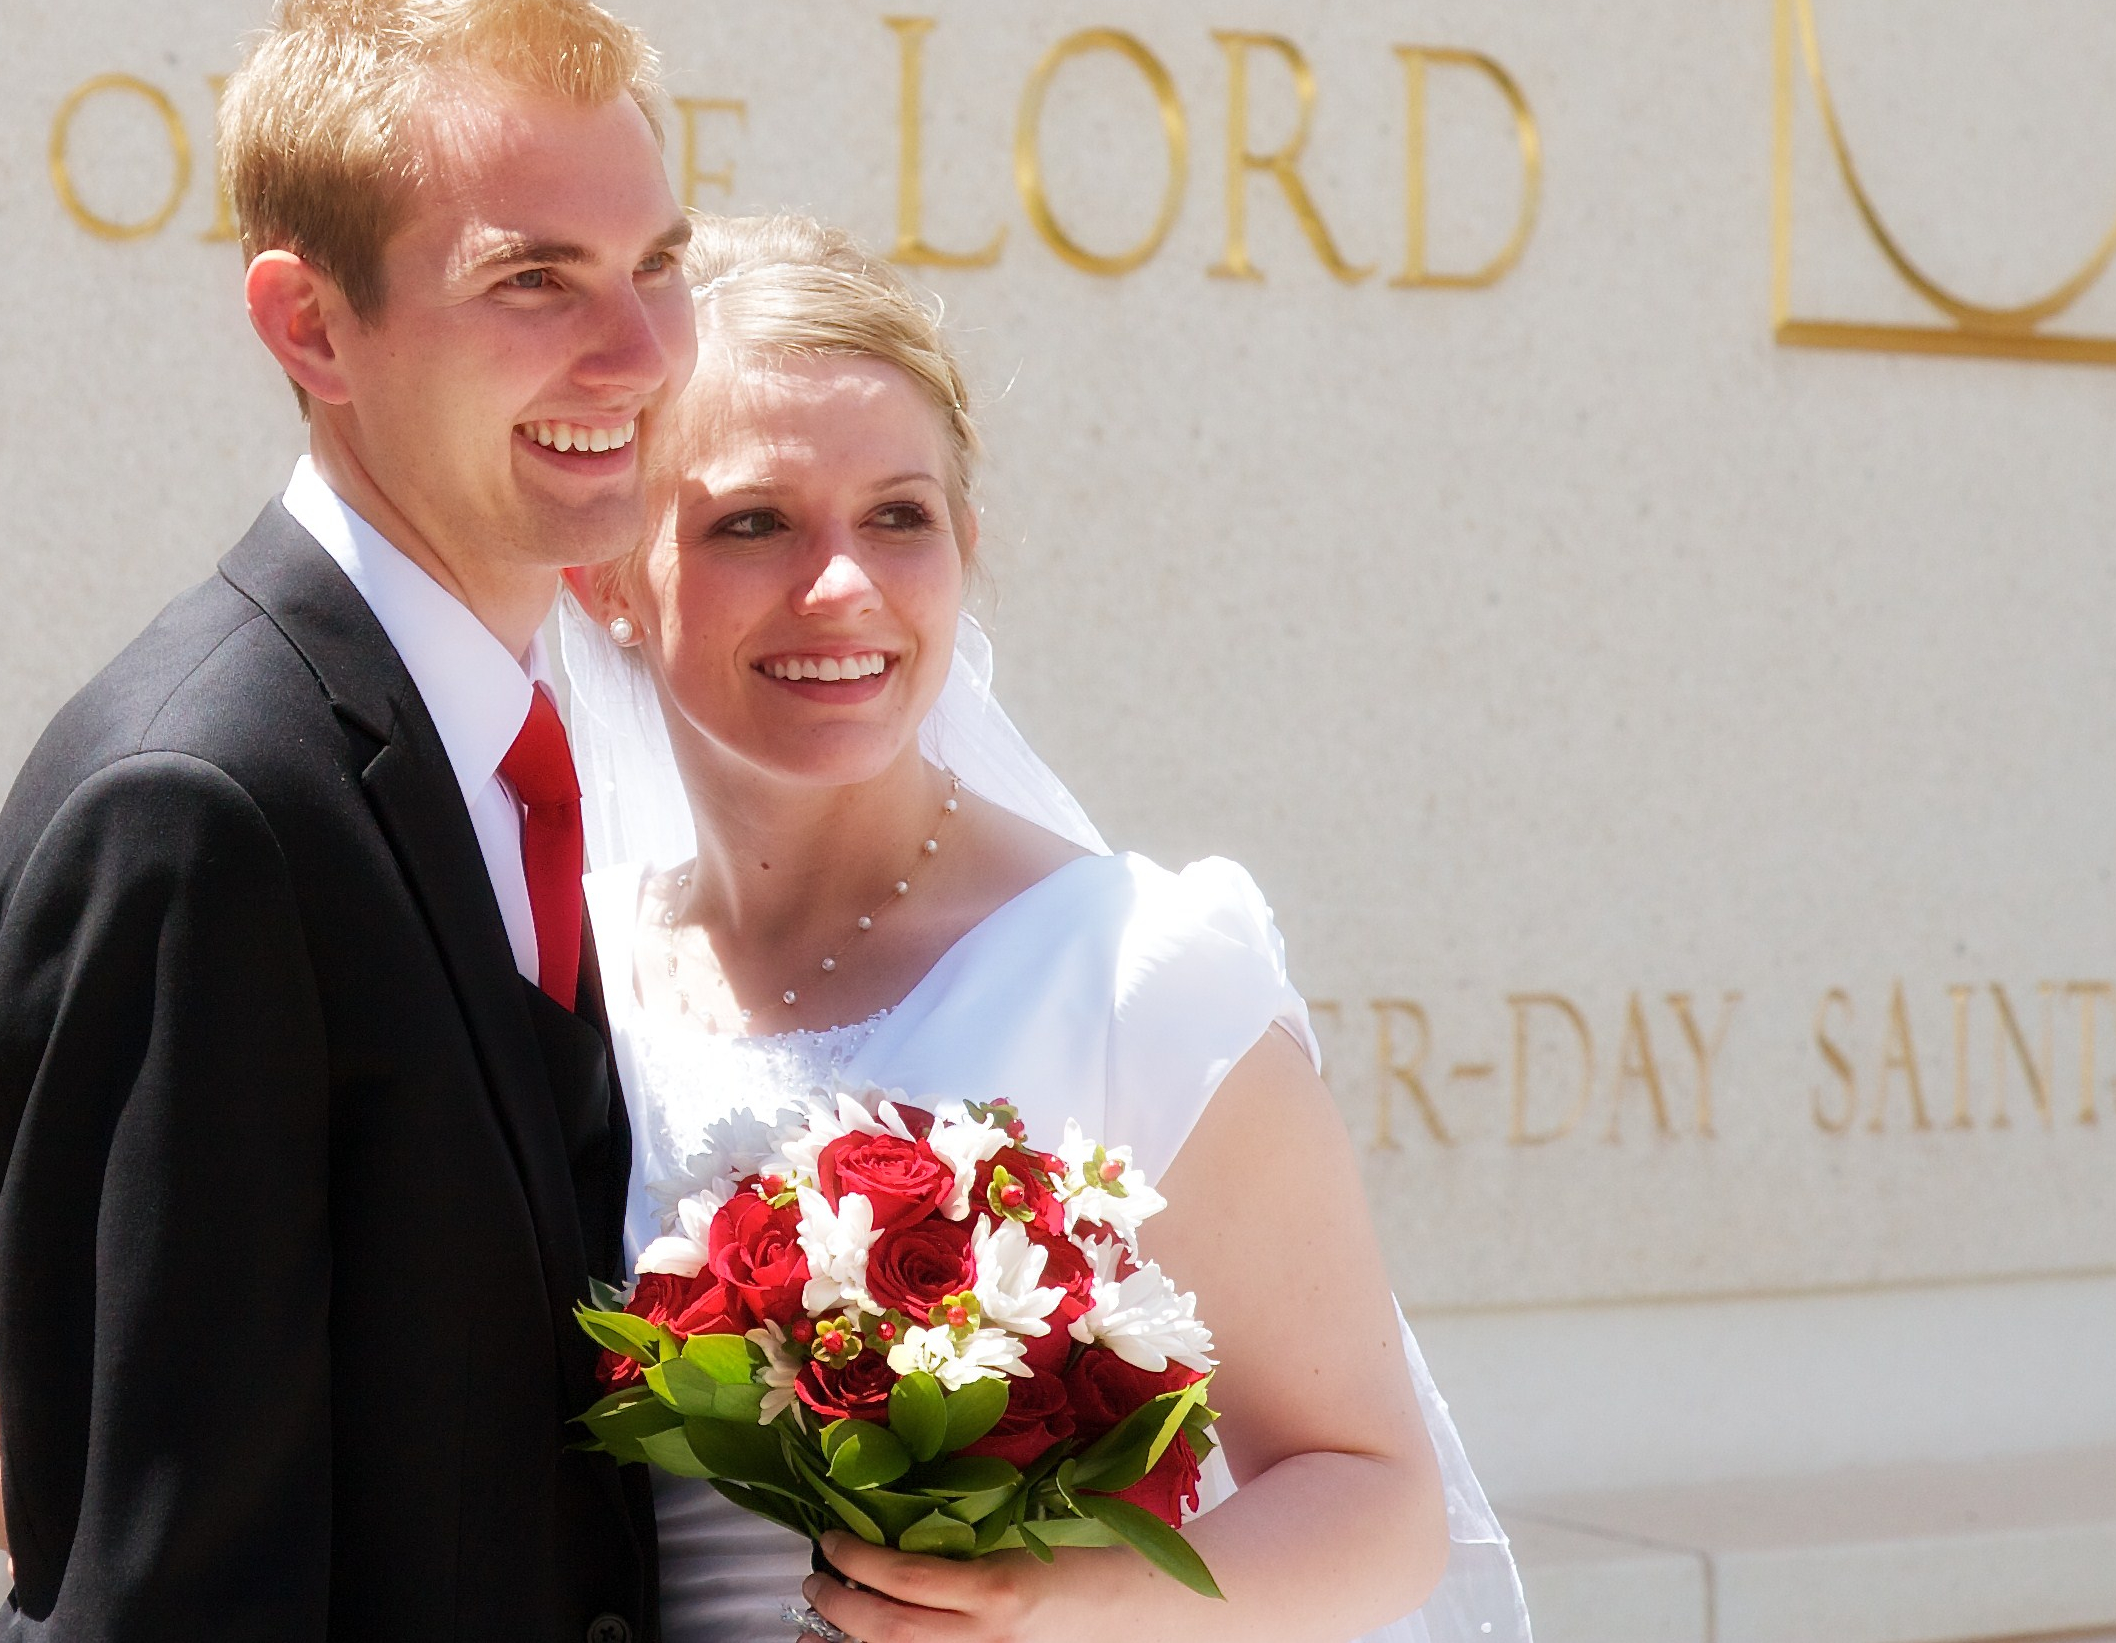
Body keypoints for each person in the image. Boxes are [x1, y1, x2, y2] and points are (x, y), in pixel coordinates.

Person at [553, 213, 1531, 1643]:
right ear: (604, 578)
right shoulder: (567, 972)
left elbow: (1375, 1497)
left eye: (899, 514)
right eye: (752, 521)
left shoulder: (1135, 973)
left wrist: (1044, 1601)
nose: (844, 585)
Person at [0, 0, 694, 1641]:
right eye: (534, 280)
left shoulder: (532, 749)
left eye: (661, 262)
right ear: (311, 324)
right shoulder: (197, 813)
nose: (640, 350)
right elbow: (168, 1592)